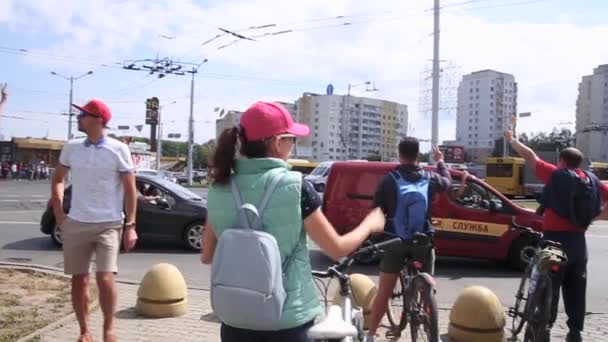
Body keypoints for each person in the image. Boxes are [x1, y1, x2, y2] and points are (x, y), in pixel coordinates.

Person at [200, 101, 385, 342]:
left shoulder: (219, 187)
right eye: (292, 140)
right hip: (287, 321)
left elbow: (207, 255)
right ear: (277, 143)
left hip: (235, 320)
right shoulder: (296, 186)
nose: (293, 146)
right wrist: (370, 224)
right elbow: (336, 249)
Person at [505, 129, 608, 342]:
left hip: (553, 241)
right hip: (579, 245)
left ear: (561, 161)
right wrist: (594, 217)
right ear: (579, 163)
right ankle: (575, 332)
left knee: (545, 287)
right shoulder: (593, 182)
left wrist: (512, 139)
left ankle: (543, 327)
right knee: (576, 288)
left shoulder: (556, 174)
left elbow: (530, 157)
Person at [51, 99, 138, 342]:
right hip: (77, 222)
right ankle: (84, 331)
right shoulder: (72, 147)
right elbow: (58, 179)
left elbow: (130, 190)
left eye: (83, 115)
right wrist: (59, 211)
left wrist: (130, 226)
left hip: (109, 224)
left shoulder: (119, 149)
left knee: (105, 277)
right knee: (79, 280)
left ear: (98, 120)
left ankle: (109, 329)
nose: (79, 118)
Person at [366, 139, 452, 341]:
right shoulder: (430, 178)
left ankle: (370, 335)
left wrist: (374, 237)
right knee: (427, 288)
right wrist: (440, 162)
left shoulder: (389, 180)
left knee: (384, 291)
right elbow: (447, 183)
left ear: (399, 154)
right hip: (423, 242)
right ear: (418, 155)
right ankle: (433, 332)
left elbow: (376, 211)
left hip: (396, 243)